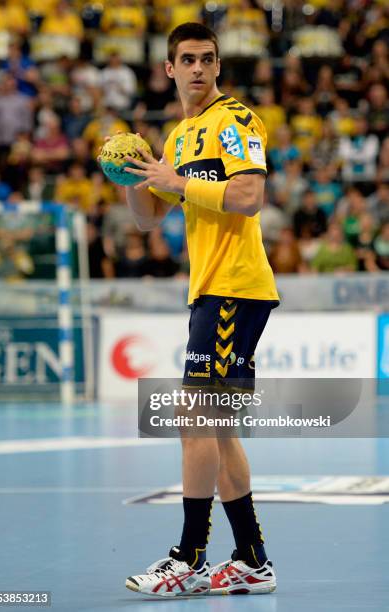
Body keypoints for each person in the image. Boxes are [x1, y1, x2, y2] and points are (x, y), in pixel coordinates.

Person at [107, 22, 279, 597]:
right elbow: (147, 219)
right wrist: (134, 174)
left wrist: (177, 182)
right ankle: (252, 559)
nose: (199, 68)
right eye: (188, 59)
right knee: (217, 429)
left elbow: (251, 198)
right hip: (209, 290)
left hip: (236, 285)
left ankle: (190, 557)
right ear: (169, 69)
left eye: (208, 58)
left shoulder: (235, 120)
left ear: (218, 66)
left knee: (194, 420)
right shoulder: (179, 138)